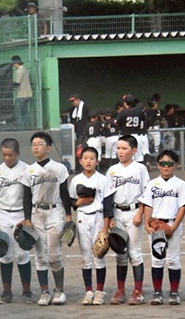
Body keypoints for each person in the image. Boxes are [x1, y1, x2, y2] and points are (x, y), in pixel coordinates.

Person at [19, 131, 73, 306]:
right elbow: (26, 196)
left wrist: (69, 217)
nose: (36, 147)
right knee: (40, 256)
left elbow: (64, 193)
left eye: (40, 144)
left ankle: (59, 290)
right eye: (33, 144)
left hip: (55, 212)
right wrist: (26, 218)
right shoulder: (29, 170)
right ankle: (44, 292)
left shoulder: (59, 168)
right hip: (36, 214)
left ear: (48, 148)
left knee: (54, 256)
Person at [141, 149, 185, 305]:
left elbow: (182, 207)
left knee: (173, 260)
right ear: (158, 165)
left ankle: (174, 292)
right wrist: (147, 224)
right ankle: (157, 292)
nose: (166, 167)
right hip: (156, 224)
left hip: (172, 223)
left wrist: (173, 227)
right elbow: (147, 205)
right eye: (163, 163)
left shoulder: (181, 184)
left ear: (176, 165)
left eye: (169, 163)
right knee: (157, 260)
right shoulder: (152, 184)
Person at [107, 135, 149, 305]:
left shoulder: (140, 169)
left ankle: (138, 291)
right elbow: (108, 196)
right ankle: (120, 291)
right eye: (118, 148)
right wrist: (109, 217)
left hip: (134, 212)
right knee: (120, 254)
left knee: (135, 253)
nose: (120, 151)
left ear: (134, 150)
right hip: (117, 214)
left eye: (124, 148)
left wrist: (140, 214)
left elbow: (146, 194)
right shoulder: (112, 170)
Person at [70, 147, 114, 305]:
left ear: (97, 160)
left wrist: (105, 227)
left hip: (98, 218)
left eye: (92, 158)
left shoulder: (103, 180)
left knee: (99, 255)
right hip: (82, 218)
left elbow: (108, 205)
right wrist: (78, 203)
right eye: (85, 158)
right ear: (80, 161)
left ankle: (100, 292)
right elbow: (70, 201)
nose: (88, 161)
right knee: (85, 257)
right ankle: (88, 291)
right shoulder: (75, 180)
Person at [0, 138, 33, 304]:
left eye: (10, 155)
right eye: (4, 155)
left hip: (21, 214)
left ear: (18, 153)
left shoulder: (26, 170)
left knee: (23, 253)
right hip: (2, 214)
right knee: (5, 254)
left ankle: (27, 291)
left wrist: (28, 218)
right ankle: (6, 291)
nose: (7, 158)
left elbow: (30, 196)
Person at [117, 94, 149, 166]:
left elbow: (118, 123)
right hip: (137, 136)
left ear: (125, 103)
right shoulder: (139, 111)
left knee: (125, 157)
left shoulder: (123, 112)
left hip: (126, 137)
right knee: (139, 157)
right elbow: (144, 119)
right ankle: (140, 174)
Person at [12, 55, 32, 130]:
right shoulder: (26, 70)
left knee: (18, 113)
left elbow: (17, 82)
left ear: (16, 63)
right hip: (28, 94)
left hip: (21, 94)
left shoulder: (19, 70)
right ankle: (28, 128)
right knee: (25, 112)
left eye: (13, 64)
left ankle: (22, 129)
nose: (13, 65)